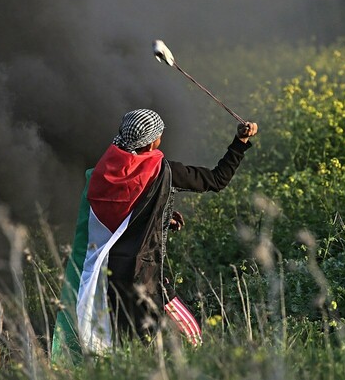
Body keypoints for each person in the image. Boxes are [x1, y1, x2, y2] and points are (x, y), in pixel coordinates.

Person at [51, 108, 258, 362]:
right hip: (144, 274)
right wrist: (241, 141)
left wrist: (162, 218)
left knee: (123, 349)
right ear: (152, 142)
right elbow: (216, 179)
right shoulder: (162, 171)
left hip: (107, 278)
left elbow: (122, 219)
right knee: (190, 336)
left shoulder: (100, 174)